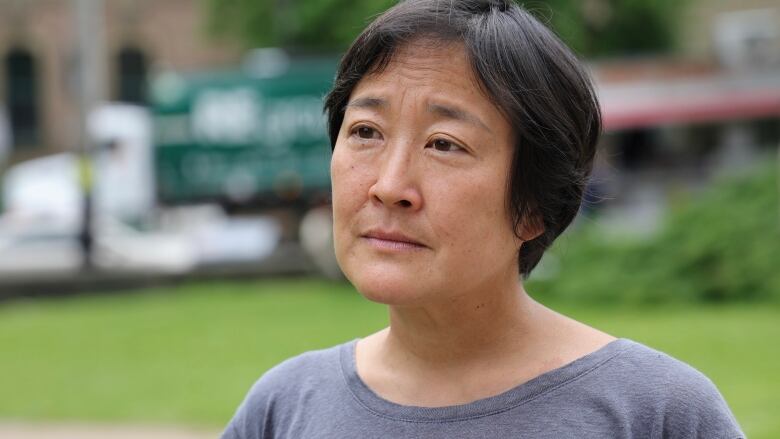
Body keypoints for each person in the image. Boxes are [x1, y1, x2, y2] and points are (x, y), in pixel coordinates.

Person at [222, 1, 744, 437]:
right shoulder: (284, 408)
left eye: (444, 144)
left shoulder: (655, 413)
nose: (389, 186)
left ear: (535, 205)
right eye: (365, 132)